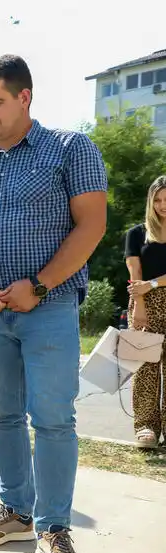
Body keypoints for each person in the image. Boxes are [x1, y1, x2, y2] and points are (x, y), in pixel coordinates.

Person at [0, 55, 107, 553]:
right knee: (4, 417)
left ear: (24, 98)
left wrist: (39, 285)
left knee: (54, 419)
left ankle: (54, 528)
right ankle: (15, 512)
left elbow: (91, 226)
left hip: (50, 308)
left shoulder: (70, 150)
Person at [125, 175, 166, 448]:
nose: (163, 205)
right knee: (145, 368)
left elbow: (147, 281)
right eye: (158, 200)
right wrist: (139, 305)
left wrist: (152, 284)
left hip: (151, 289)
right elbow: (134, 274)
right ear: (150, 202)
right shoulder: (137, 233)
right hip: (144, 304)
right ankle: (146, 427)